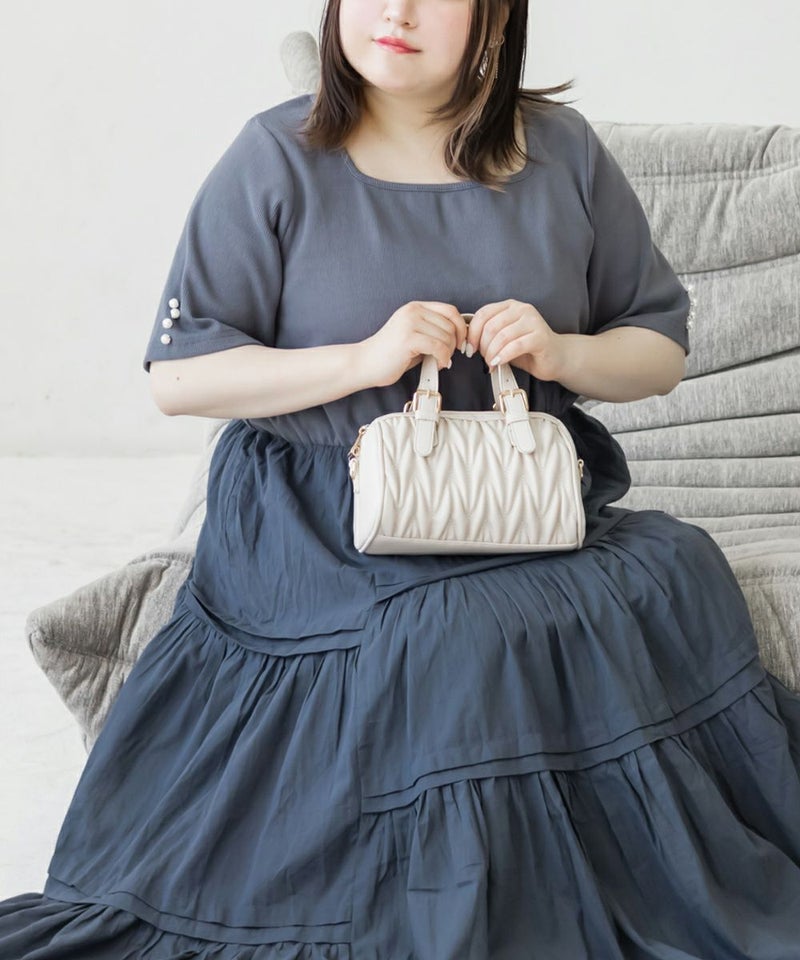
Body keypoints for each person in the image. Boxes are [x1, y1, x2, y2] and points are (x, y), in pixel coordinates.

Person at [3, 0, 800, 956]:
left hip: (514, 500)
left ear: (495, 20)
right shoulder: (277, 155)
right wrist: (361, 361)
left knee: (670, 574)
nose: (397, 10)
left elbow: (659, 348)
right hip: (317, 516)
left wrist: (563, 351)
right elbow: (178, 378)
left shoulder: (563, 154)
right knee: (448, 639)